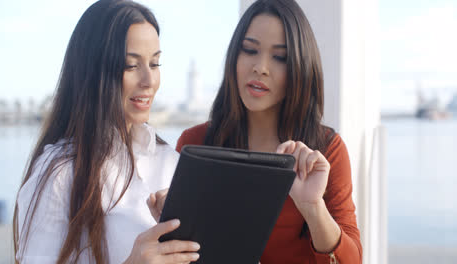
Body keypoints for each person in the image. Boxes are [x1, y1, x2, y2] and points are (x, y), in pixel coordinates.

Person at [150, 0, 362, 263]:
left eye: (279, 57)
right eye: (249, 50)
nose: (260, 67)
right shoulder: (196, 143)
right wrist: (169, 227)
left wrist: (313, 208)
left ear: (299, 66)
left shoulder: (326, 150)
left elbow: (351, 260)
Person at [12, 0, 200, 263]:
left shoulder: (172, 162)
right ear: (95, 70)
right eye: (131, 65)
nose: (149, 81)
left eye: (155, 64)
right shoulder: (60, 174)